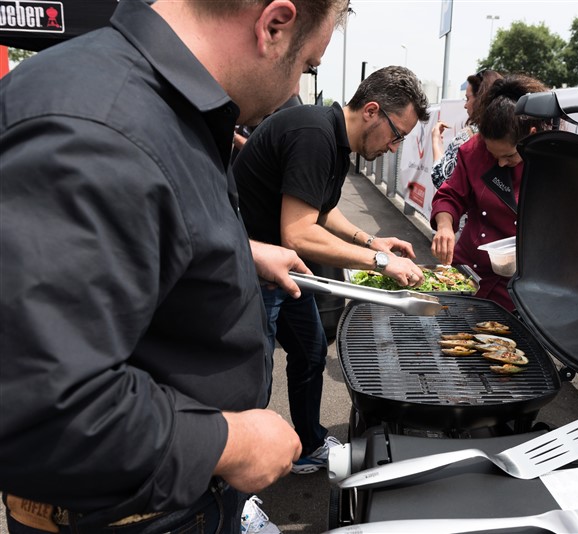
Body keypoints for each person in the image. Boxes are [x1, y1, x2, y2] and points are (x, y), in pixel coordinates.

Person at [0, 0, 349, 533]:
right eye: (307, 68)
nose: (294, 91)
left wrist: (238, 250)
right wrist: (233, 444)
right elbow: (42, 408)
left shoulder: (160, 104)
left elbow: (143, 225)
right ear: (274, 25)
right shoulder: (100, 128)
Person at [233, 65, 430, 474]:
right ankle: (235, 485)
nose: (395, 148)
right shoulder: (314, 135)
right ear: (372, 111)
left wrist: (373, 241)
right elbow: (299, 234)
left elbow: (322, 208)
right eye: (398, 135)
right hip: (252, 271)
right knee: (252, 382)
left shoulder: (334, 139)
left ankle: (308, 446)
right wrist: (380, 262)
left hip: (289, 273)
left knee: (309, 354)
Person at [430, 74, 550, 311]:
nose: (502, 163)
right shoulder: (474, 150)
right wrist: (445, 227)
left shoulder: (550, 164)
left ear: (532, 134)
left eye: (509, 156)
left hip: (514, 285)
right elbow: (450, 195)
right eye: (494, 156)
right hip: (465, 270)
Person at [430, 69, 503, 189]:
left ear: (480, 99)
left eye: (468, 98)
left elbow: (441, 179)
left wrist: (436, 140)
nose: (465, 105)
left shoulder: (469, 135)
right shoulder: (509, 132)